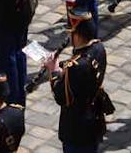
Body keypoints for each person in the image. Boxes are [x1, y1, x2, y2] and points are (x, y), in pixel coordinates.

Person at [45, 8, 112, 152]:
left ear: (77, 35)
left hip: (77, 126)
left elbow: (61, 96)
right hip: (94, 117)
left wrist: (54, 70)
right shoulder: (99, 48)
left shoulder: (76, 66)